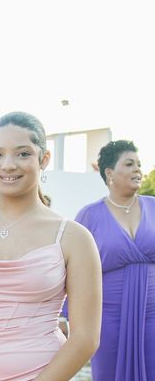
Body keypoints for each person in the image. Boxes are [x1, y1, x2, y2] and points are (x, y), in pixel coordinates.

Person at [0, 111, 102, 380]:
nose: (8, 165)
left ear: (44, 159)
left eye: (23, 154)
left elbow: (85, 337)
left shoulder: (74, 238)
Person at [70, 140, 155, 380]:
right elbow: (74, 269)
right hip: (107, 316)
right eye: (129, 164)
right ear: (109, 173)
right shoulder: (90, 215)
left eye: (139, 164)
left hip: (153, 314)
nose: (138, 169)